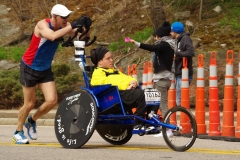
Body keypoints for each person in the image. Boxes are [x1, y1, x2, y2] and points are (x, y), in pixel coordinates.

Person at [12, 4, 92, 144]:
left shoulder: (64, 26)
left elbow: (82, 38)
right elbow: (52, 36)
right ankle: (18, 132)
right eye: (64, 18)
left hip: (45, 69)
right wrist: (71, 25)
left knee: (52, 101)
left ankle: (31, 121)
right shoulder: (42, 25)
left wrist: (86, 27)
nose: (66, 20)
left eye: (68, 17)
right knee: (29, 103)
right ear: (54, 17)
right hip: (30, 66)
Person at [128, 21, 175, 138]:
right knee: (154, 102)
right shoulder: (169, 44)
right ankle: (153, 124)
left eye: (156, 36)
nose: (155, 38)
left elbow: (152, 47)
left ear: (160, 36)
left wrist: (137, 44)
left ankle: (168, 129)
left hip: (162, 80)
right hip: (164, 79)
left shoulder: (164, 45)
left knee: (162, 105)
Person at [90, 46, 152, 131]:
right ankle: (137, 124)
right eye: (108, 58)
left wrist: (133, 81)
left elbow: (126, 77)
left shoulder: (114, 71)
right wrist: (127, 86)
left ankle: (151, 118)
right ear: (100, 62)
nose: (111, 60)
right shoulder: (97, 73)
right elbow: (109, 82)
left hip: (125, 93)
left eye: (111, 58)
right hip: (114, 97)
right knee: (142, 94)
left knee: (152, 92)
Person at [170, 22, 194, 107]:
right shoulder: (178, 40)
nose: (170, 33)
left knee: (180, 102)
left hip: (183, 74)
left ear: (175, 31)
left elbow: (191, 52)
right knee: (179, 101)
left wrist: (177, 54)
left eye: (171, 31)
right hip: (178, 73)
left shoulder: (185, 38)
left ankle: (187, 119)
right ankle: (186, 119)